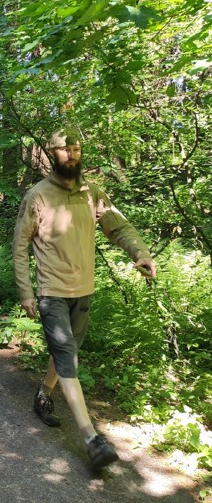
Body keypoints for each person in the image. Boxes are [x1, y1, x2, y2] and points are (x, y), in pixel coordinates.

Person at [12, 126, 157, 470]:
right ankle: (91, 438)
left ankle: (43, 396)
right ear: (51, 154)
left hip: (85, 288)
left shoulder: (92, 193)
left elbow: (119, 227)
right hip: (52, 292)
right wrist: (26, 292)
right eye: (65, 150)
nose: (72, 154)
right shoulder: (37, 196)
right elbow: (19, 247)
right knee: (66, 357)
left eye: (76, 149)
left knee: (68, 353)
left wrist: (141, 253)